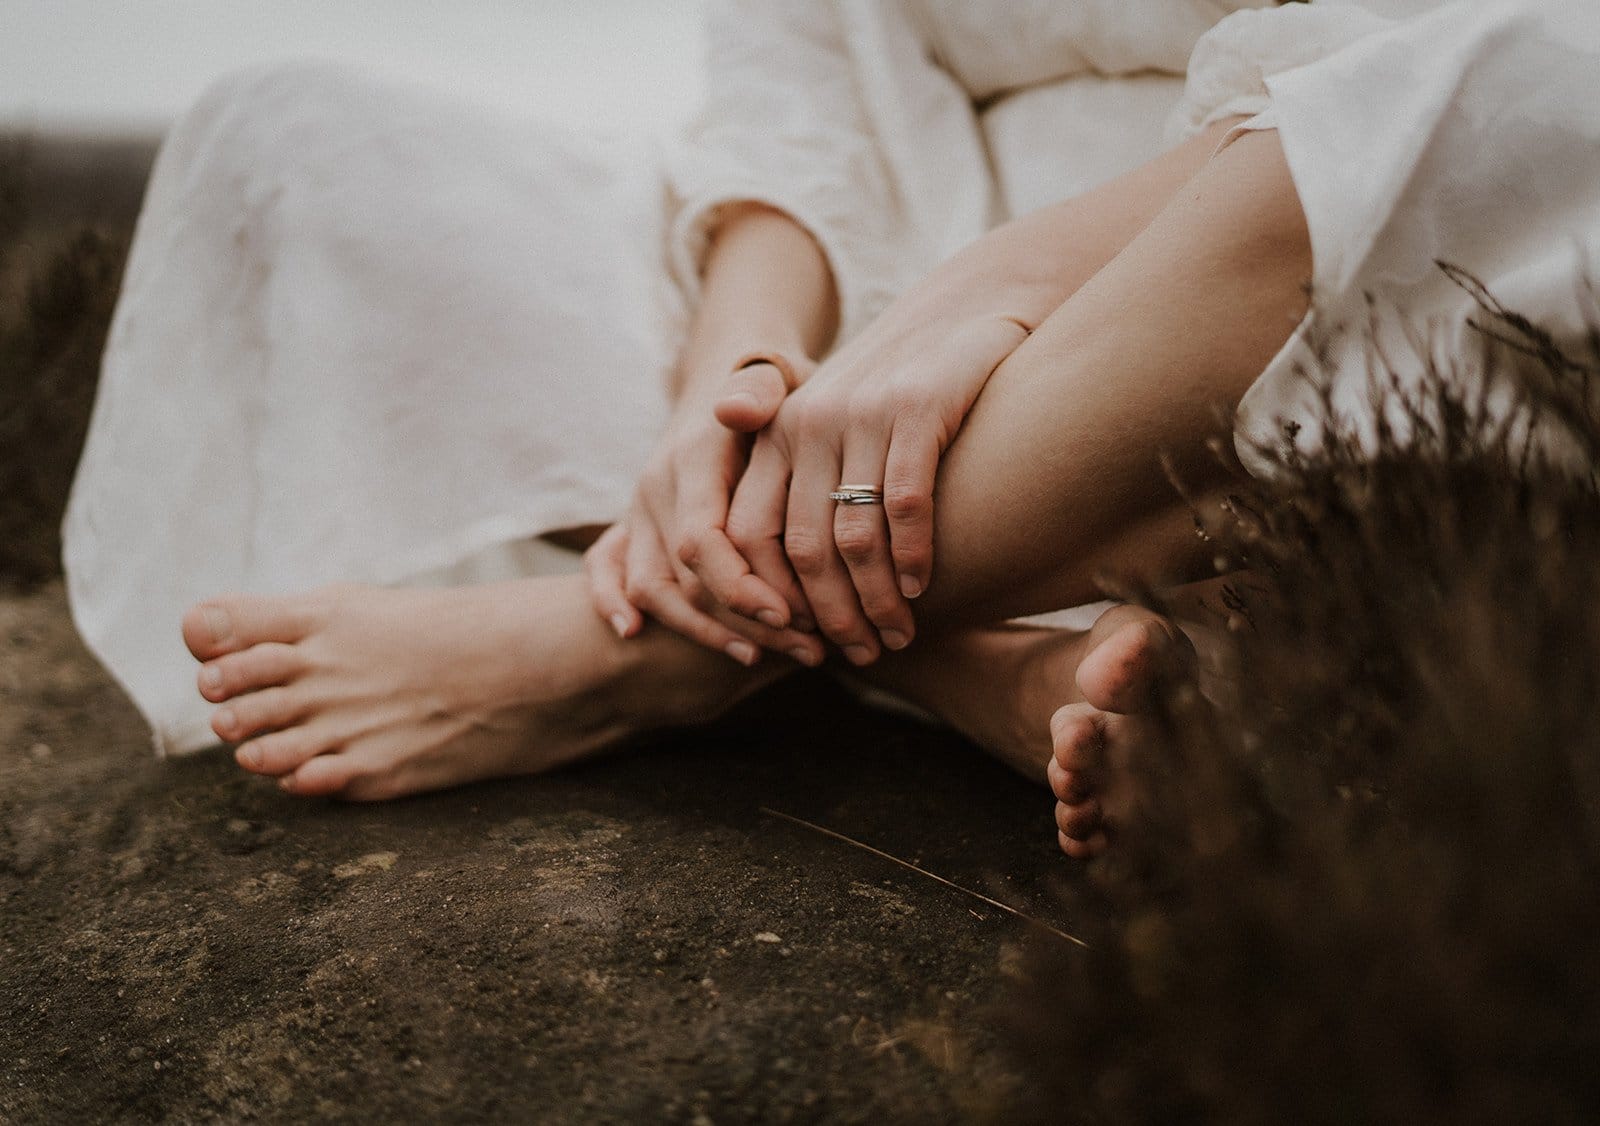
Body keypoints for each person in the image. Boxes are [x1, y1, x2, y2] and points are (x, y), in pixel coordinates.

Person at [62, 0, 1600, 859]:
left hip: (1253, 290)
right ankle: (986, 664)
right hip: (901, 288)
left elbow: (1411, 73)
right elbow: (801, 60)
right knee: (303, 144)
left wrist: (1002, 296)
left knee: (1554, 85)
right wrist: (738, 377)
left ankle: (651, 650)